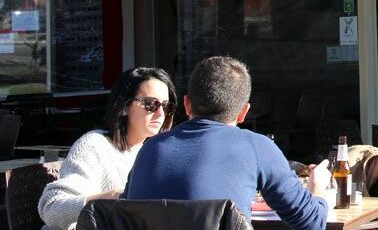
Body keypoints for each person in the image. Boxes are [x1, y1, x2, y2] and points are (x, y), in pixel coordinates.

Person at [125, 56, 331, 230]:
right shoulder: (256, 147)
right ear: (243, 112)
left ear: (187, 105)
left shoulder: (149, 148)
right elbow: (311, 222)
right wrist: (317, 187)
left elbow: (126, 210)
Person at [38, 67, 177, 230]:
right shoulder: (95, 147)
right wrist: (106, 200)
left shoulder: (155, 151)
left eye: (166, 106)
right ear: (125, 106)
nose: (160, 113)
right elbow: (51, 207)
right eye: (151, 104)